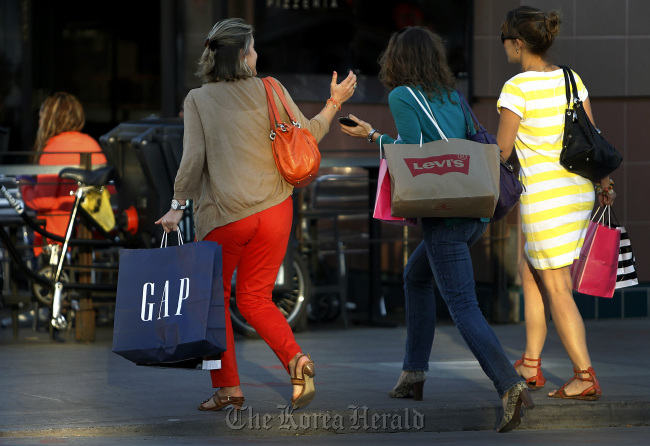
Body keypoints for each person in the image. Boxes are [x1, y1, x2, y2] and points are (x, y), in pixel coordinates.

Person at [156, 18, 357, 412]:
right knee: (255, 298)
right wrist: (334, 102)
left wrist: (178, 207)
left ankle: (229, 388)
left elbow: (193, 160)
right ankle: (296, 361)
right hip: (277, 210)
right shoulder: (272, 89)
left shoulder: (198, 99)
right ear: (243, 56)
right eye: (253, 48)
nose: (257, 54)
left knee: (214, 302)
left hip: (228, 216)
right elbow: (308, 135)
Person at [340, 26, 531, 433]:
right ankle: (414, 374)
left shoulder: (401, 96)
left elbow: (411, 154)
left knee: (463, 307)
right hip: (474, 212)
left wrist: (371, 135)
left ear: (398, 59)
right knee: (414, 276)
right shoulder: (452, 95)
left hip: (444, 218)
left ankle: (509, 384)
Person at [496, 5, 614, 401]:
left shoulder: (516, 88)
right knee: (531, 270)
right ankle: (531, 363)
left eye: (505, 41)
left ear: (517, 43)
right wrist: (604, 179)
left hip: (545, 199)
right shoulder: (571, 79)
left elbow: (503, 150)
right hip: (578, 191)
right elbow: (591, 135)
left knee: (557, 284)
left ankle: (584, 374)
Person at [20, 92, 108, 257]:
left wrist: (23, 185)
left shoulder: (53, 148)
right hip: (95, 234)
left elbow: (42, 202)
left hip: (57, 241)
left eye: (41, 117)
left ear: (49, 119)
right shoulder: (91, 143)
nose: (39, 122)